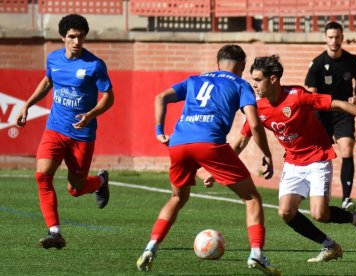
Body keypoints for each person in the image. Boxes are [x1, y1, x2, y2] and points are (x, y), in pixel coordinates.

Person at [136, 44, 280, 275]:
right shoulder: (241, 84)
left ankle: (151, 247)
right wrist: (267, 154)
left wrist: (159, 131)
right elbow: (254, 124)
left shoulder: (195, 80)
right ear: (242, 65)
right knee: (252, 198)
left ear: (218, 63)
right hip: (210, 144)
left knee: (177, 198)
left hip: (179, 143)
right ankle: (256, 253)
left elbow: (160, 97)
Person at [231, 55, 356, 262]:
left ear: (273, 79)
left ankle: (355, 218)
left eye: (258, 79)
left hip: (318, 158)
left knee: (320, 214)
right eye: (252, 79)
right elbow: (241, 141)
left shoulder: (297, 96)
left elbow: (340, 105)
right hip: (293, 163)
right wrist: (214, 170)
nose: (253, 84)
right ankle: (330, 246)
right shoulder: (257, 108)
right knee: (286, 212)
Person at [15, 14, 114, 250]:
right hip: (55, 129)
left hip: (82, 135)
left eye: (80, 37)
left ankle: (100, 182)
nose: (76, 42)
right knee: (42, 176)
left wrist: (90, 115)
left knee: (76, 189)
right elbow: (48, 81)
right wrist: (26, 104)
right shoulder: (53, 59)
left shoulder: (94, 65)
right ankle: (55, 232)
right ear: (63, 37)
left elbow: (109, 98)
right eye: (71, 37)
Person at [305, 21, 356, 212]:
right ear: (325, 38)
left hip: (344, 113)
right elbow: (311, 93)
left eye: (337, 37)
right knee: (319, 155)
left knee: (347, 148)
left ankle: (346, 198)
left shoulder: (351, 60)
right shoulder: (317, 64)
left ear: (342, 38)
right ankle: (315, 193)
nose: (334, 41)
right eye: (331, 37)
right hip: (322, 115)